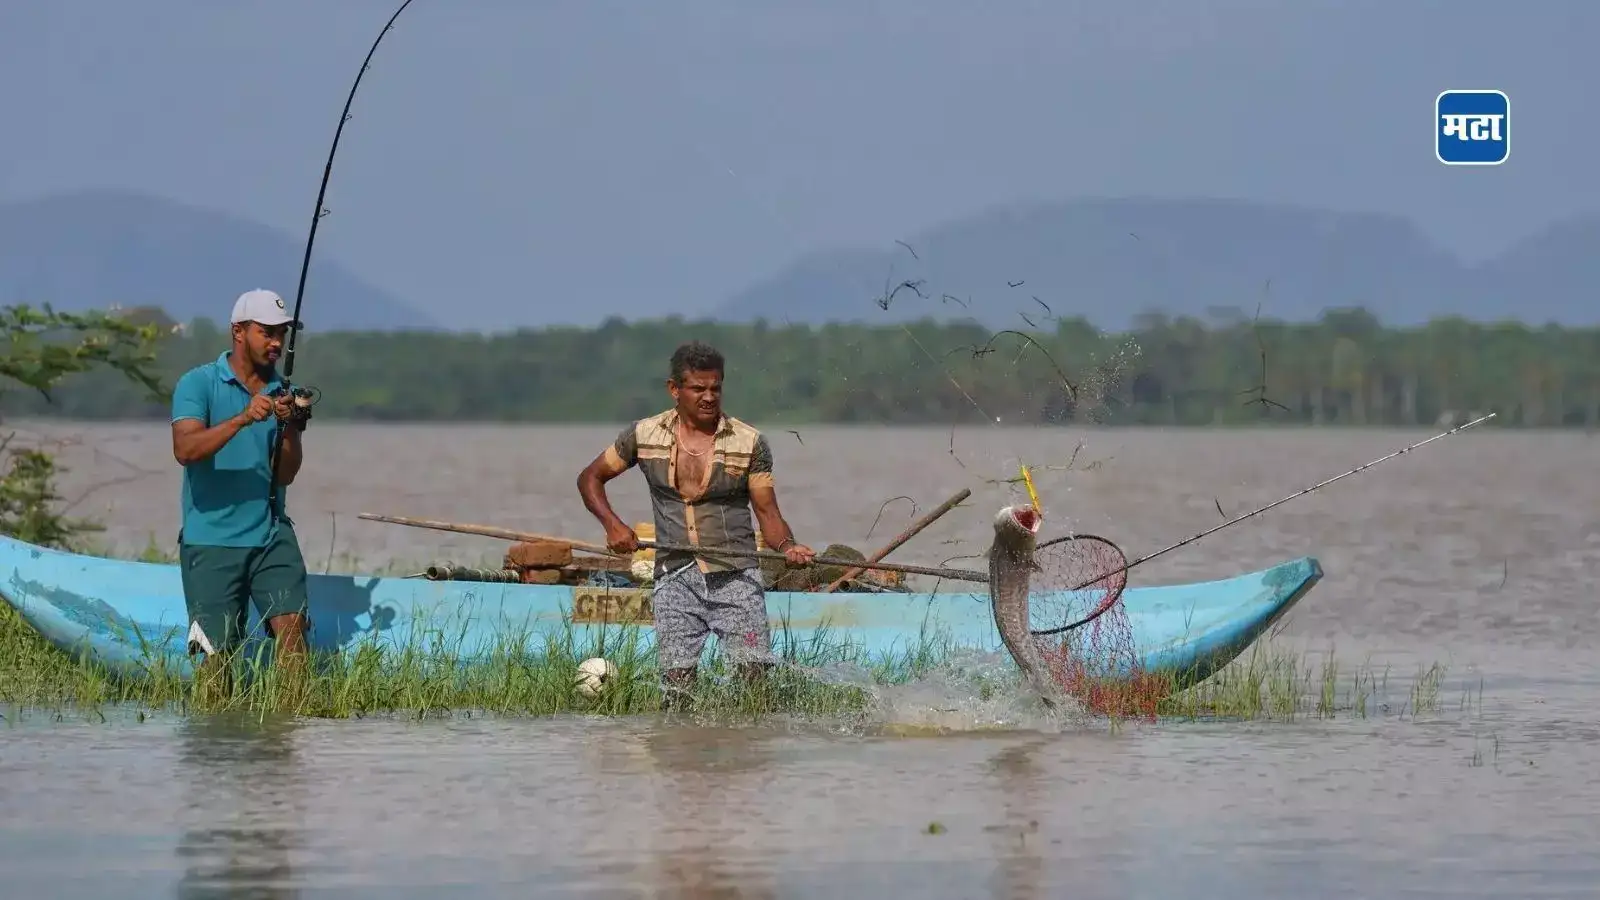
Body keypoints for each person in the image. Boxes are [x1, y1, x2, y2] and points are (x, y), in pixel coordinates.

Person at [577, 340, 815, 706]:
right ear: (675, 389)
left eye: (715, 388)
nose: (708, 397)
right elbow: (590, 478)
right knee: (676, 688)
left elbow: (768, 514)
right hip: (674, 576)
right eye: (698, 388)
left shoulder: (749, 443)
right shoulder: (643, 435)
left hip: (735, 575)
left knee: (754, 682)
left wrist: (787, 547)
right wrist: (613, 526)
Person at [169, 288, 312, 699]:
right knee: (214, 663)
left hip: (270, 533)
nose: (276, 343)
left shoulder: (285, 390)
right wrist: (244, 417)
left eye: (281, 334)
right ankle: (218, 742)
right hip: (210, 539)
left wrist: (291, 429)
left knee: (292, 633)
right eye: (267, 332)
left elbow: (284, 475)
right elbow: (186, 450)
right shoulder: (196, 384)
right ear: (238, 330)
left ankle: (287, 735)